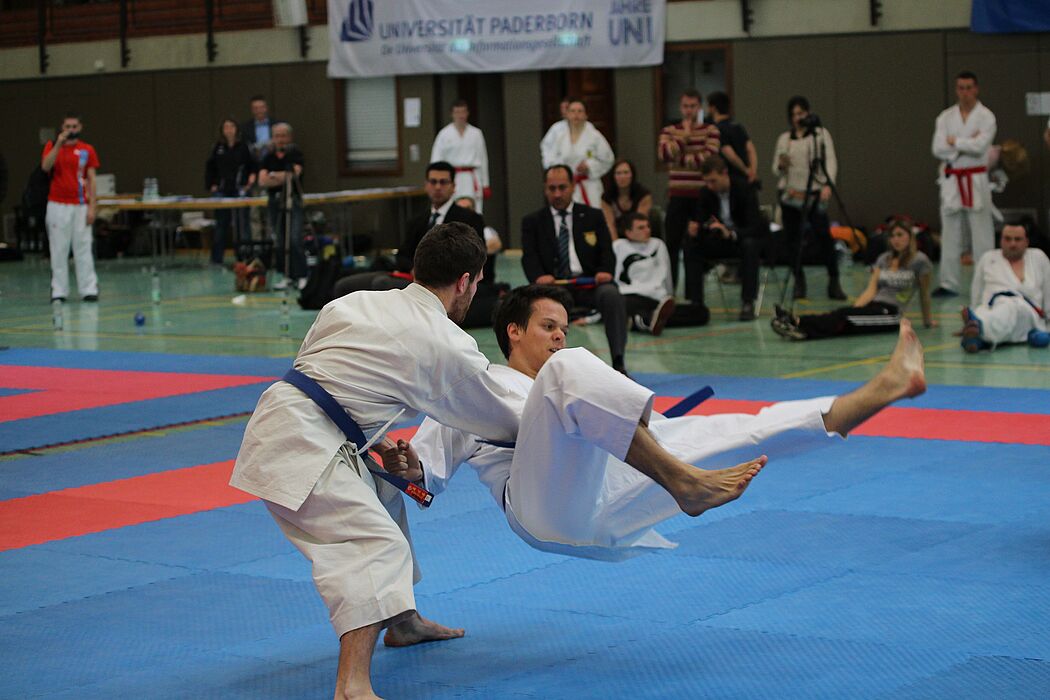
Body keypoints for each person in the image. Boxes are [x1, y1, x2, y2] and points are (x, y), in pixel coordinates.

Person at [381, 284, 927, 563]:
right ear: (513, 332)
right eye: (548, 326)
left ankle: (886, 387)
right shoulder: (479, 388)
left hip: (608, 489)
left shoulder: (569, 377)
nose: (559, 336)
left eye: (564, 328)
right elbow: (422, 481)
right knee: (575, 370)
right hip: (539, 511)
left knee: (748, 429)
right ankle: (681, 479)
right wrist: (409, 468)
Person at [230, 223, 523, 700]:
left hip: (281, 420)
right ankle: (353, 686)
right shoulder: (446, 342)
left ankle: (402, 621)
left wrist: (364, 438)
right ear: (468, 281)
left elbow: (325, 373)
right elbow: (495, 419)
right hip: (301, 444)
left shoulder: (353, 301)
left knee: (385, 492)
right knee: (374, 544)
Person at [521, 165, 629, 374]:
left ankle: (618, 361)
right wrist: (538, 276)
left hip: (589, 284)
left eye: (562, 187)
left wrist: (605, 271)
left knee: (612, 295)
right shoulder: (533, 221)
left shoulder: (593, 216)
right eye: (552, 189)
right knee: (535, 306)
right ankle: (544, 367)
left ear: (572, 187)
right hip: (554, 288)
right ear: (545, 189)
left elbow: (607, 250)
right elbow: (529, 256)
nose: (557, 194)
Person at [332, 162, 488, 300]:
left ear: (453, 187)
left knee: (382, 283)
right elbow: (402, 255)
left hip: (442, 283)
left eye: (443, 182)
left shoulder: (469, 219)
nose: (438, 187)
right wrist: (412, 268)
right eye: (433, 182)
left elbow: (474, 259)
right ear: (426, 185)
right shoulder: (417, 220)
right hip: (412, 277)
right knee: (343, 286)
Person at [772, 218, 935, 341]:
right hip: (874, 306)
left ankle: (800, 325)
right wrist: (856, 307)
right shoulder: (883, 259)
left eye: (900, 235)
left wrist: (927, 321)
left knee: (845, 318)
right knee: (845, 314)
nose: (896, 240)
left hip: (891, 314)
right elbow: (871, 290)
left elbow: (924, 293)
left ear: (910, 237)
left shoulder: (920, 261)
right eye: (892, 236)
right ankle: (798, 324)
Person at [772, 95, 845, 301]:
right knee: (792, 241)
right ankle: (799, 281)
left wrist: (828, 185)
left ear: (808, 113)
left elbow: (830, 161)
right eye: (794, 114)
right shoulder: (784, 139)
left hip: (814, 194)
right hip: (790, 196)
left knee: (824, 237)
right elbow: (775, 170)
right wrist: (781, 165)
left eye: (801, 113)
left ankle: (834, 280)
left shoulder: (821, 135)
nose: (798, 118)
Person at [931, 71, 997, 297]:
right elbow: (938, 149)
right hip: (952, 179)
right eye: (961, 87)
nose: (965, 92)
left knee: (982, 234)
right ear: (956, 89)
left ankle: (989, 281)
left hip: (976, 179)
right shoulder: (945, 117)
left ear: (976, 89)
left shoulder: (986, 116)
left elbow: (981, 147)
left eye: (969, 87)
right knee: (950, 234)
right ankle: (949, 283)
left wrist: (955, 141)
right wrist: (967, 142)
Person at [658, 88, 722, 305]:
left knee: (696, 245)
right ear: (680, 107)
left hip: (701, 196)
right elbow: (664, 154)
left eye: (693, 106)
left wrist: (679, 158)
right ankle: (670, 293)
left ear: (700, 107)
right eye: (685, 106)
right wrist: (684, 138)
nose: (689, 111)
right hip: (677, 195)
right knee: (672, 245)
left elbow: (709, 160)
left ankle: (694, 297)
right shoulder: (670, 130)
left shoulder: (710, 130)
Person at [695, 155, 770, 321]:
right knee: (691, 245)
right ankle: (695, 303)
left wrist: (731, 233)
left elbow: (755, 226)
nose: (710, 186)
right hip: (720, 241)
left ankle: (748, 302)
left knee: (750, 246)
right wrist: (702, 227)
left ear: (725, 173)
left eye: (713, 181)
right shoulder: (705, 193)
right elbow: (701, 219)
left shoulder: (745, 189)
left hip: (742, 239)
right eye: (706, 182)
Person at [614, 212, 711, 334]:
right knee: (624, 304)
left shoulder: (658, 244)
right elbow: (614, 277)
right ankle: (646, 319)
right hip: (632, 294)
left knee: (702, 312)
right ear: (628, 232)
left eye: (648, 226)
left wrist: (670, 297)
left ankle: (644, 321)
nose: (647, 230)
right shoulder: (619, 246)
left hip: (657, 297)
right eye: (641, 228)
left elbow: (666, 274)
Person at [961, 223, 1050, 352]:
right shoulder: (988, 258)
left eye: (1017, 239)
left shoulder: (1038, 257)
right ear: (1001, 241)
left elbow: (1049, 292)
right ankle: (977, 336)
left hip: (1027, 313)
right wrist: (975, 310)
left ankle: (979, 328)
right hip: (990, 309)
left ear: (1026, 242)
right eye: (1007, 239)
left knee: (1011, 306)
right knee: (986, 313)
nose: (1012, 244)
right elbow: (977, 292)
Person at [41, 112, 99, 303]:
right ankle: (59, 291)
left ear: (80, 128)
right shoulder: (52, 146)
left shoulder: (87, 150)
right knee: (59, 249)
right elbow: (45, 167)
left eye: (74, 127)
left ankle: (89, 289)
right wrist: (59, 143)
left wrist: (92, 207)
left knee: (83, 248)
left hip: (80, 205)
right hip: (57, 205)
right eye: (67, 127)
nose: (71, 130)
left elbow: (91, 179)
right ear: (62, 128)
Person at [541, 99, 615, 207]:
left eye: (580, 111)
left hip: (588, 185)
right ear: (567, 114)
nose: (576, 114)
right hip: (563, 186)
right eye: (573, 111)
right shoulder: (557, 132)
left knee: (591, 216)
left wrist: (589, 165)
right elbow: (547, 154)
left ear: (586, 115)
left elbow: (608, 159)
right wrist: (559, 170)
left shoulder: (594, 135)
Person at [258, 122, 305, 290]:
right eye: (277, 136)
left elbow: (294, 174)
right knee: (280, 240)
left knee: (294, 239)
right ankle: (287, 276)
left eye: (283, 135)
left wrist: (274, 176)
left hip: (293, 200)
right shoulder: (268, 157)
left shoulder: (294, 154)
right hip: (274, 202)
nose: (280, 139)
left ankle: (301, 275)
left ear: (289, 137)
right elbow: (262, 180)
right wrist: (280, 177)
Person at [204, 118, 256, 265]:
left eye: (231, 126)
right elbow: (210, 167)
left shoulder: (244, 146)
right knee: (221, 224)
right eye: (226, 127)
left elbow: (252, 165)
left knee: (243, 224)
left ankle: (245, 256)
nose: (229, 130)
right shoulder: (218, 147)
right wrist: (212, 185)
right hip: (222, 190)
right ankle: (216, 259)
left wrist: (250, 181)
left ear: (236, 129)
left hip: (240, 189)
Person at [429, 100, 490, 213]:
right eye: (457, 112)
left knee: (474, 210)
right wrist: (437, 182)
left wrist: (485, 184)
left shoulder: (476, 133)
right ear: (452, 114)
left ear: (467, 113)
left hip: (471, 177)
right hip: (451, 178)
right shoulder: (444, 134)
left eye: (463, 112)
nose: (460, 115)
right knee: (450, 208)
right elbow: (436, 161)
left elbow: (483, 159)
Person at [706, 91, 758, 184]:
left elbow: (729, 153)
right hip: (745, 179)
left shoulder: (717, 130)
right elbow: (751, 149)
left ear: (713, 108)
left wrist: (745, 170)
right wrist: (752, 171)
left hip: (730, 178)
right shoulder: (738, 127)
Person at [600, 159, 652, 240]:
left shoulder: (643, 195)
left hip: (639, 236)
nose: (622, 177)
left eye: (626, 173)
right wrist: (617, 246)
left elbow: (640, 223)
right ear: (613, 176)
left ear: (632, 175)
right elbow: (610, 225)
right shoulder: (607, 197)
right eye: (618, 173)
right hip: (616, 236)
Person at [242, 95, 278, 163]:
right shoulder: (245, 127)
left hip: (275, 161)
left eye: (261, 107)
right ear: (252, 110)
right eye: (256, 108)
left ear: (266, 108)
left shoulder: (277, 124)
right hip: (254, 163)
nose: (259, 111)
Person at [539, 96, 571, 169]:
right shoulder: (556, 128)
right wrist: (550, 165)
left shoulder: (588, 129)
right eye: (561, 108)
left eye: (566, 108)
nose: (563, 111)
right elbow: (546, 147)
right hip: (560, 170)